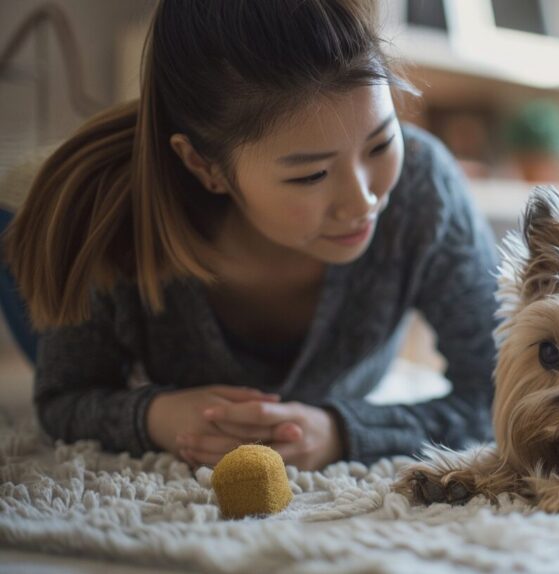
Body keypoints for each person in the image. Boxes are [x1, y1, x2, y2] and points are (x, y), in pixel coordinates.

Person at [1, 0, 499, 471]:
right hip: (48, 248)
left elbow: (498, 391)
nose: (363, 200)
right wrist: (156, 418)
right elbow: (64, 398)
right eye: (311, 176)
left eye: (381, 142)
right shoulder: (112, 221)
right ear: (204, 165)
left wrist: (343, 432)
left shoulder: (422, 187)